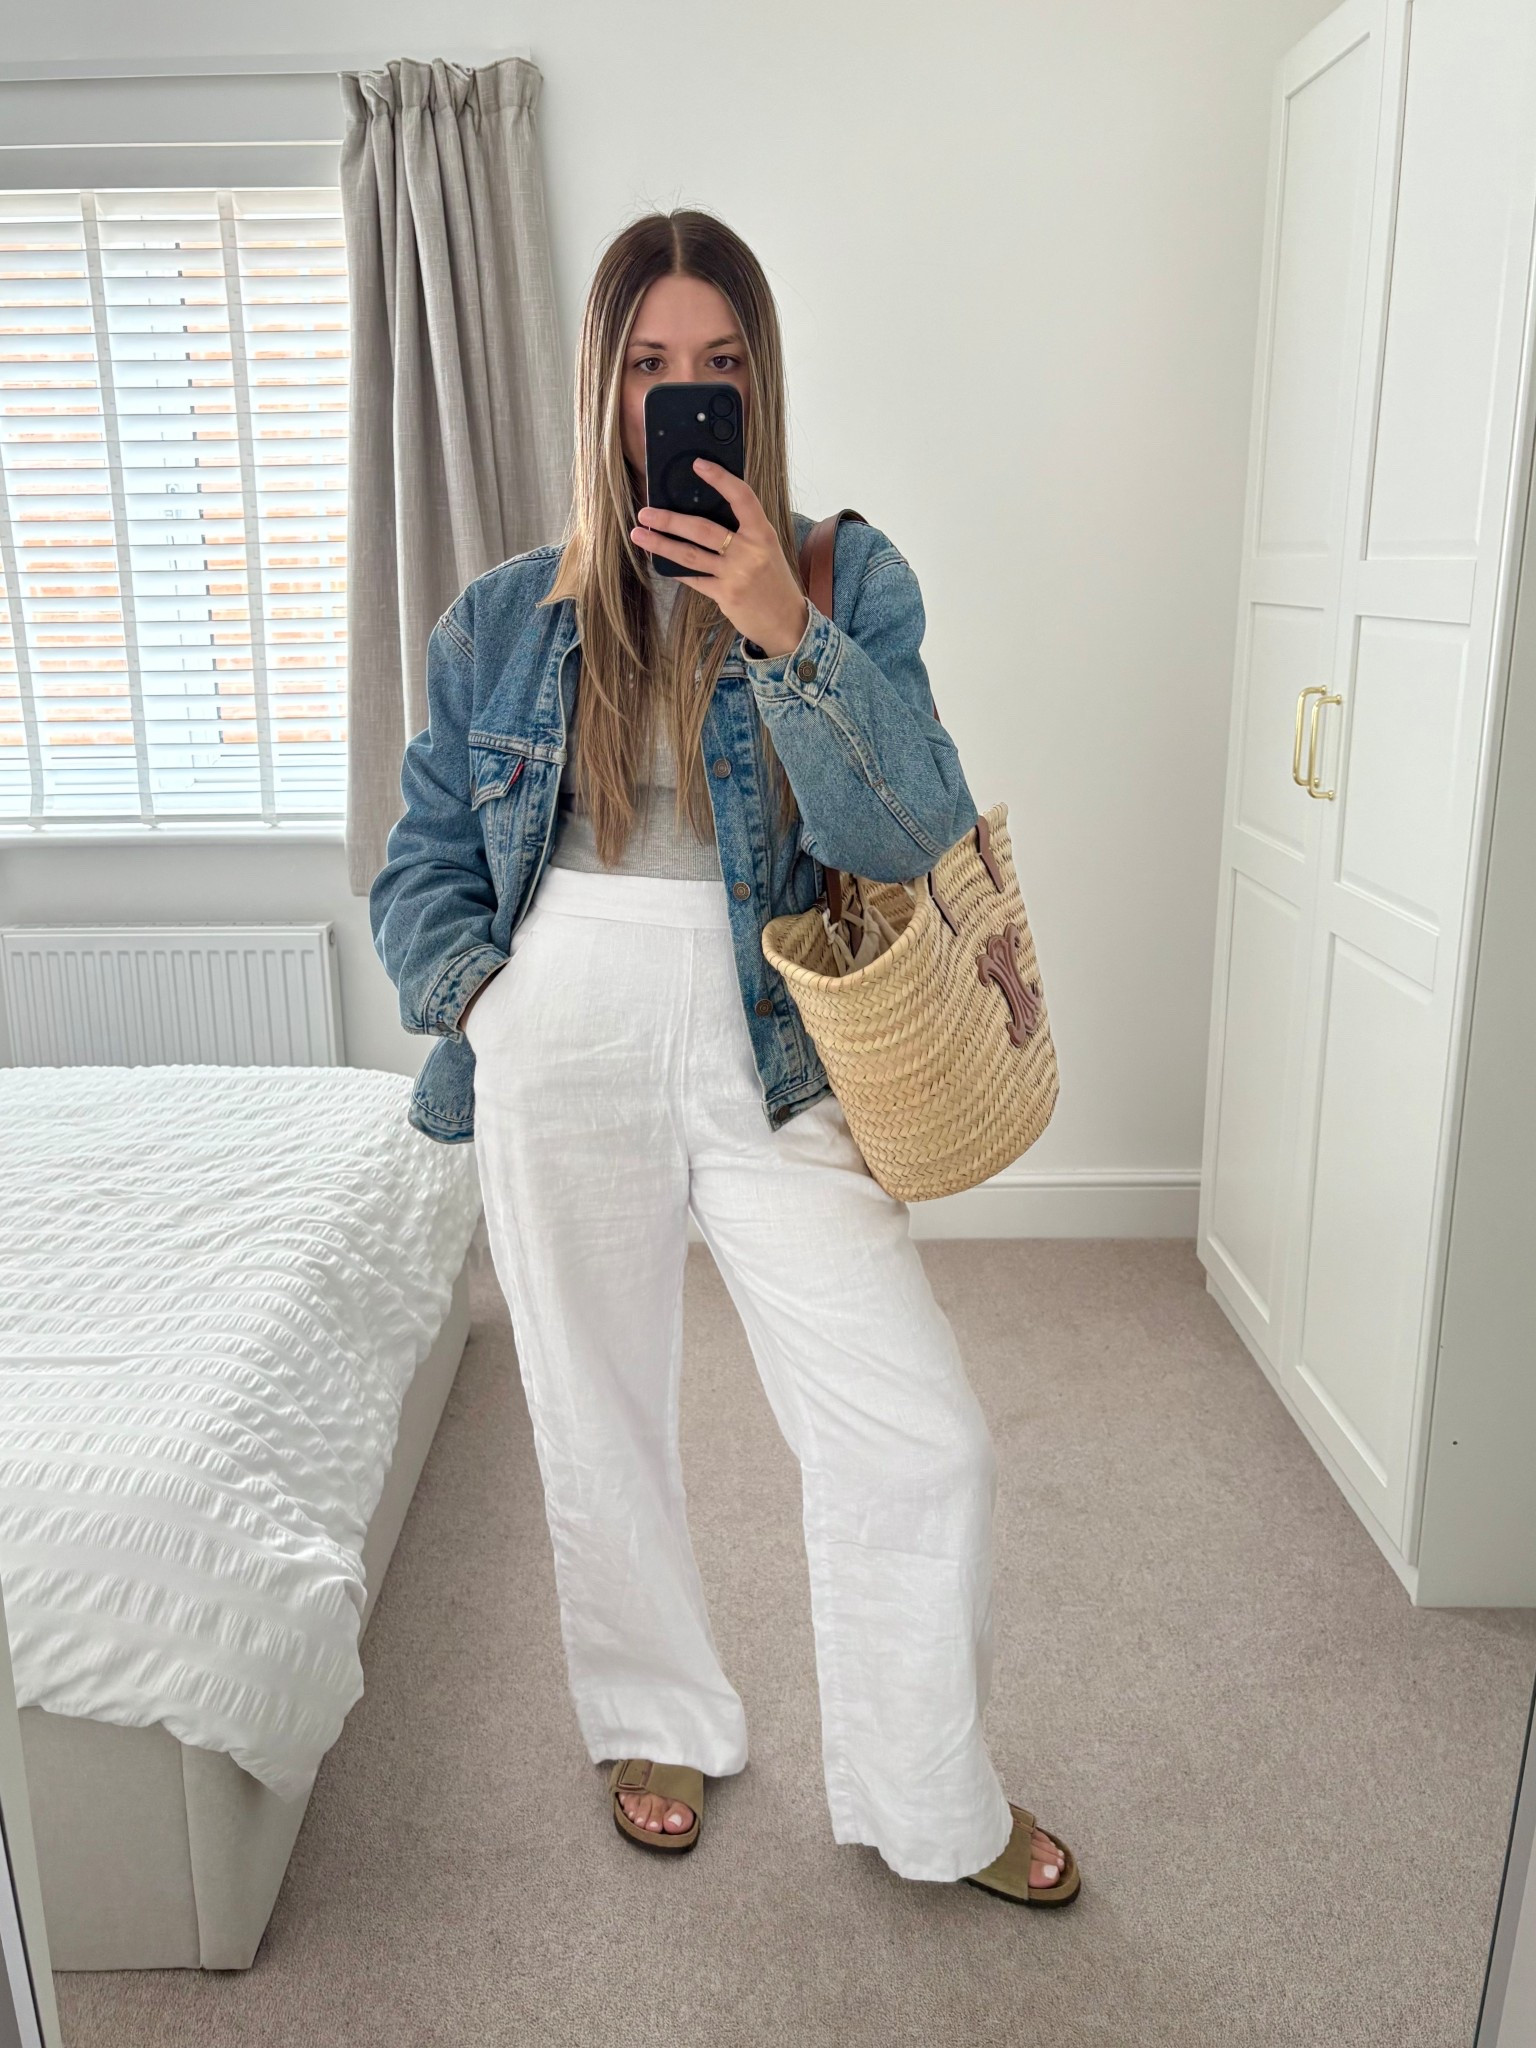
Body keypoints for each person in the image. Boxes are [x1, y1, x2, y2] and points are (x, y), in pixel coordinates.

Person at [369, 207, 1080, 1907]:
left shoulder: (846, 574)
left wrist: (787, 633)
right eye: (646, 370)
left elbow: (909, 828)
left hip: (779, 1031)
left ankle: (931, 1792)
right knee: (593, 1398)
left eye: (721, 369)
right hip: (560, 1023)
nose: (682, 401)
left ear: (760, 389)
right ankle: (654, 1711)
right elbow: (416, 865)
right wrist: (490, 1002)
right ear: (601, 393)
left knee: (921, 1439)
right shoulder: (500, 618)